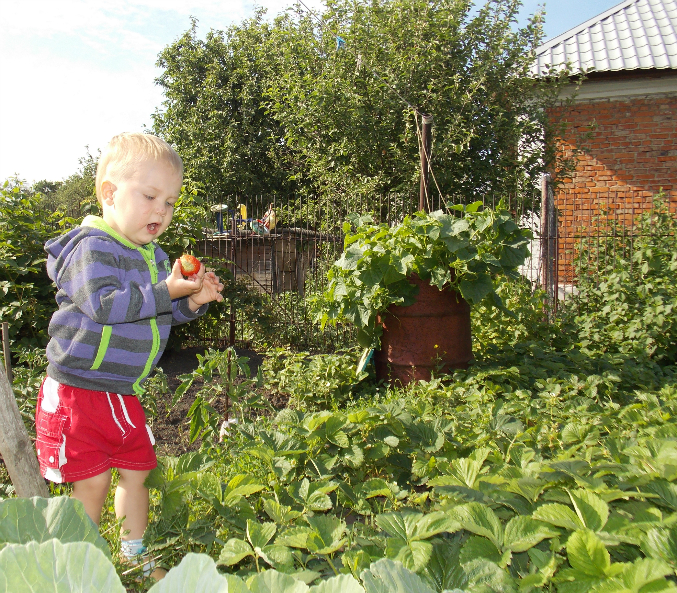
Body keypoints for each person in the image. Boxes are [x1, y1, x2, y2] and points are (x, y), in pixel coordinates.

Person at [35, 132, 224, 579]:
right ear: (109, 193)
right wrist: (165, 290)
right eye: (150, 196)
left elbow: (159, 309)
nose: (161, 210)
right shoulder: (91, 247)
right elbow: (105, 305)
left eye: (170, 202)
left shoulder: (153, 256)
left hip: (122, 391)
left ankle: (135, 555)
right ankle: (77, 565)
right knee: (94, 480)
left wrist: (191, 301)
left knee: (138, 471)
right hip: (79, 389)